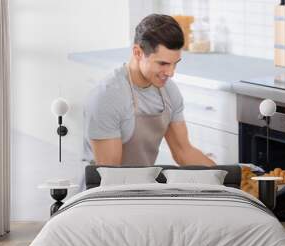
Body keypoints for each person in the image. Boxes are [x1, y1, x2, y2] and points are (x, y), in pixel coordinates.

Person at [81, 14, 215, 190]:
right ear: (138, 52)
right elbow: (110, 177)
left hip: (141, 189)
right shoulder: (108, 97)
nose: (171, 72)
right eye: (163, 64)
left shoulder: (169, 91)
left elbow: (184, 152)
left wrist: (229, 179)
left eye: (175, 64)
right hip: (102, 198)